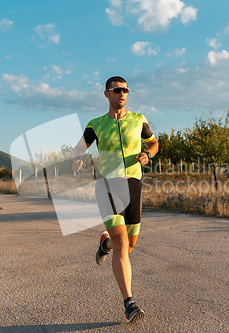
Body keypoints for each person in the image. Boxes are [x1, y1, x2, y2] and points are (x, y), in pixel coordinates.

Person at [72, 76, 158, 323]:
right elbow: (80, 147)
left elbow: (153, 144)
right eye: (118, 90)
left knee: (127, 247)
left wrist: (147, 155)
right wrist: (78, 158)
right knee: (121, 241)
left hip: (133, 184)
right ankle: (129, 303)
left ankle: (104, 245)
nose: (123, 93)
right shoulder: (96, 124)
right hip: (108, 184)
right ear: (107, 94)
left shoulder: (139, 119)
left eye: (126, 90)